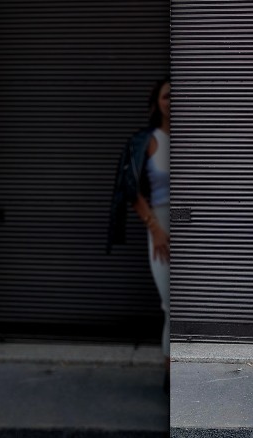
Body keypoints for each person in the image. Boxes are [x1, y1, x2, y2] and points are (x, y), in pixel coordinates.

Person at [107, 77, 171, 393]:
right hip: (160, 223)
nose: (172, 101)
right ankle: (169, 374)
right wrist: (156, 230)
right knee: (170, 304)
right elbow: (131, 190)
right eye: (167, 95)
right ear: (156, 102)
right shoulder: (146, 140)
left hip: (191, 224)